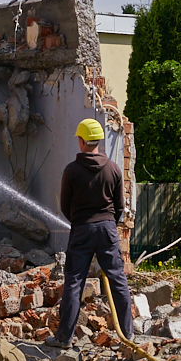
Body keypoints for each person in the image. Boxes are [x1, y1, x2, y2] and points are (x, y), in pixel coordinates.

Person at [45, 118, 134, 349]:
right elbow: (119, 206)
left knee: (74, 283)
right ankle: (129, 335)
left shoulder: (72, 170)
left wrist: (81, 223)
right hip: (107, 229)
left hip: (82, 229)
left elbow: (65, 206)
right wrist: (107, 224)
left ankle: (64, 338)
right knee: (118, 280)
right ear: (98, 141)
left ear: (82, 141)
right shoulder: (114, 168)